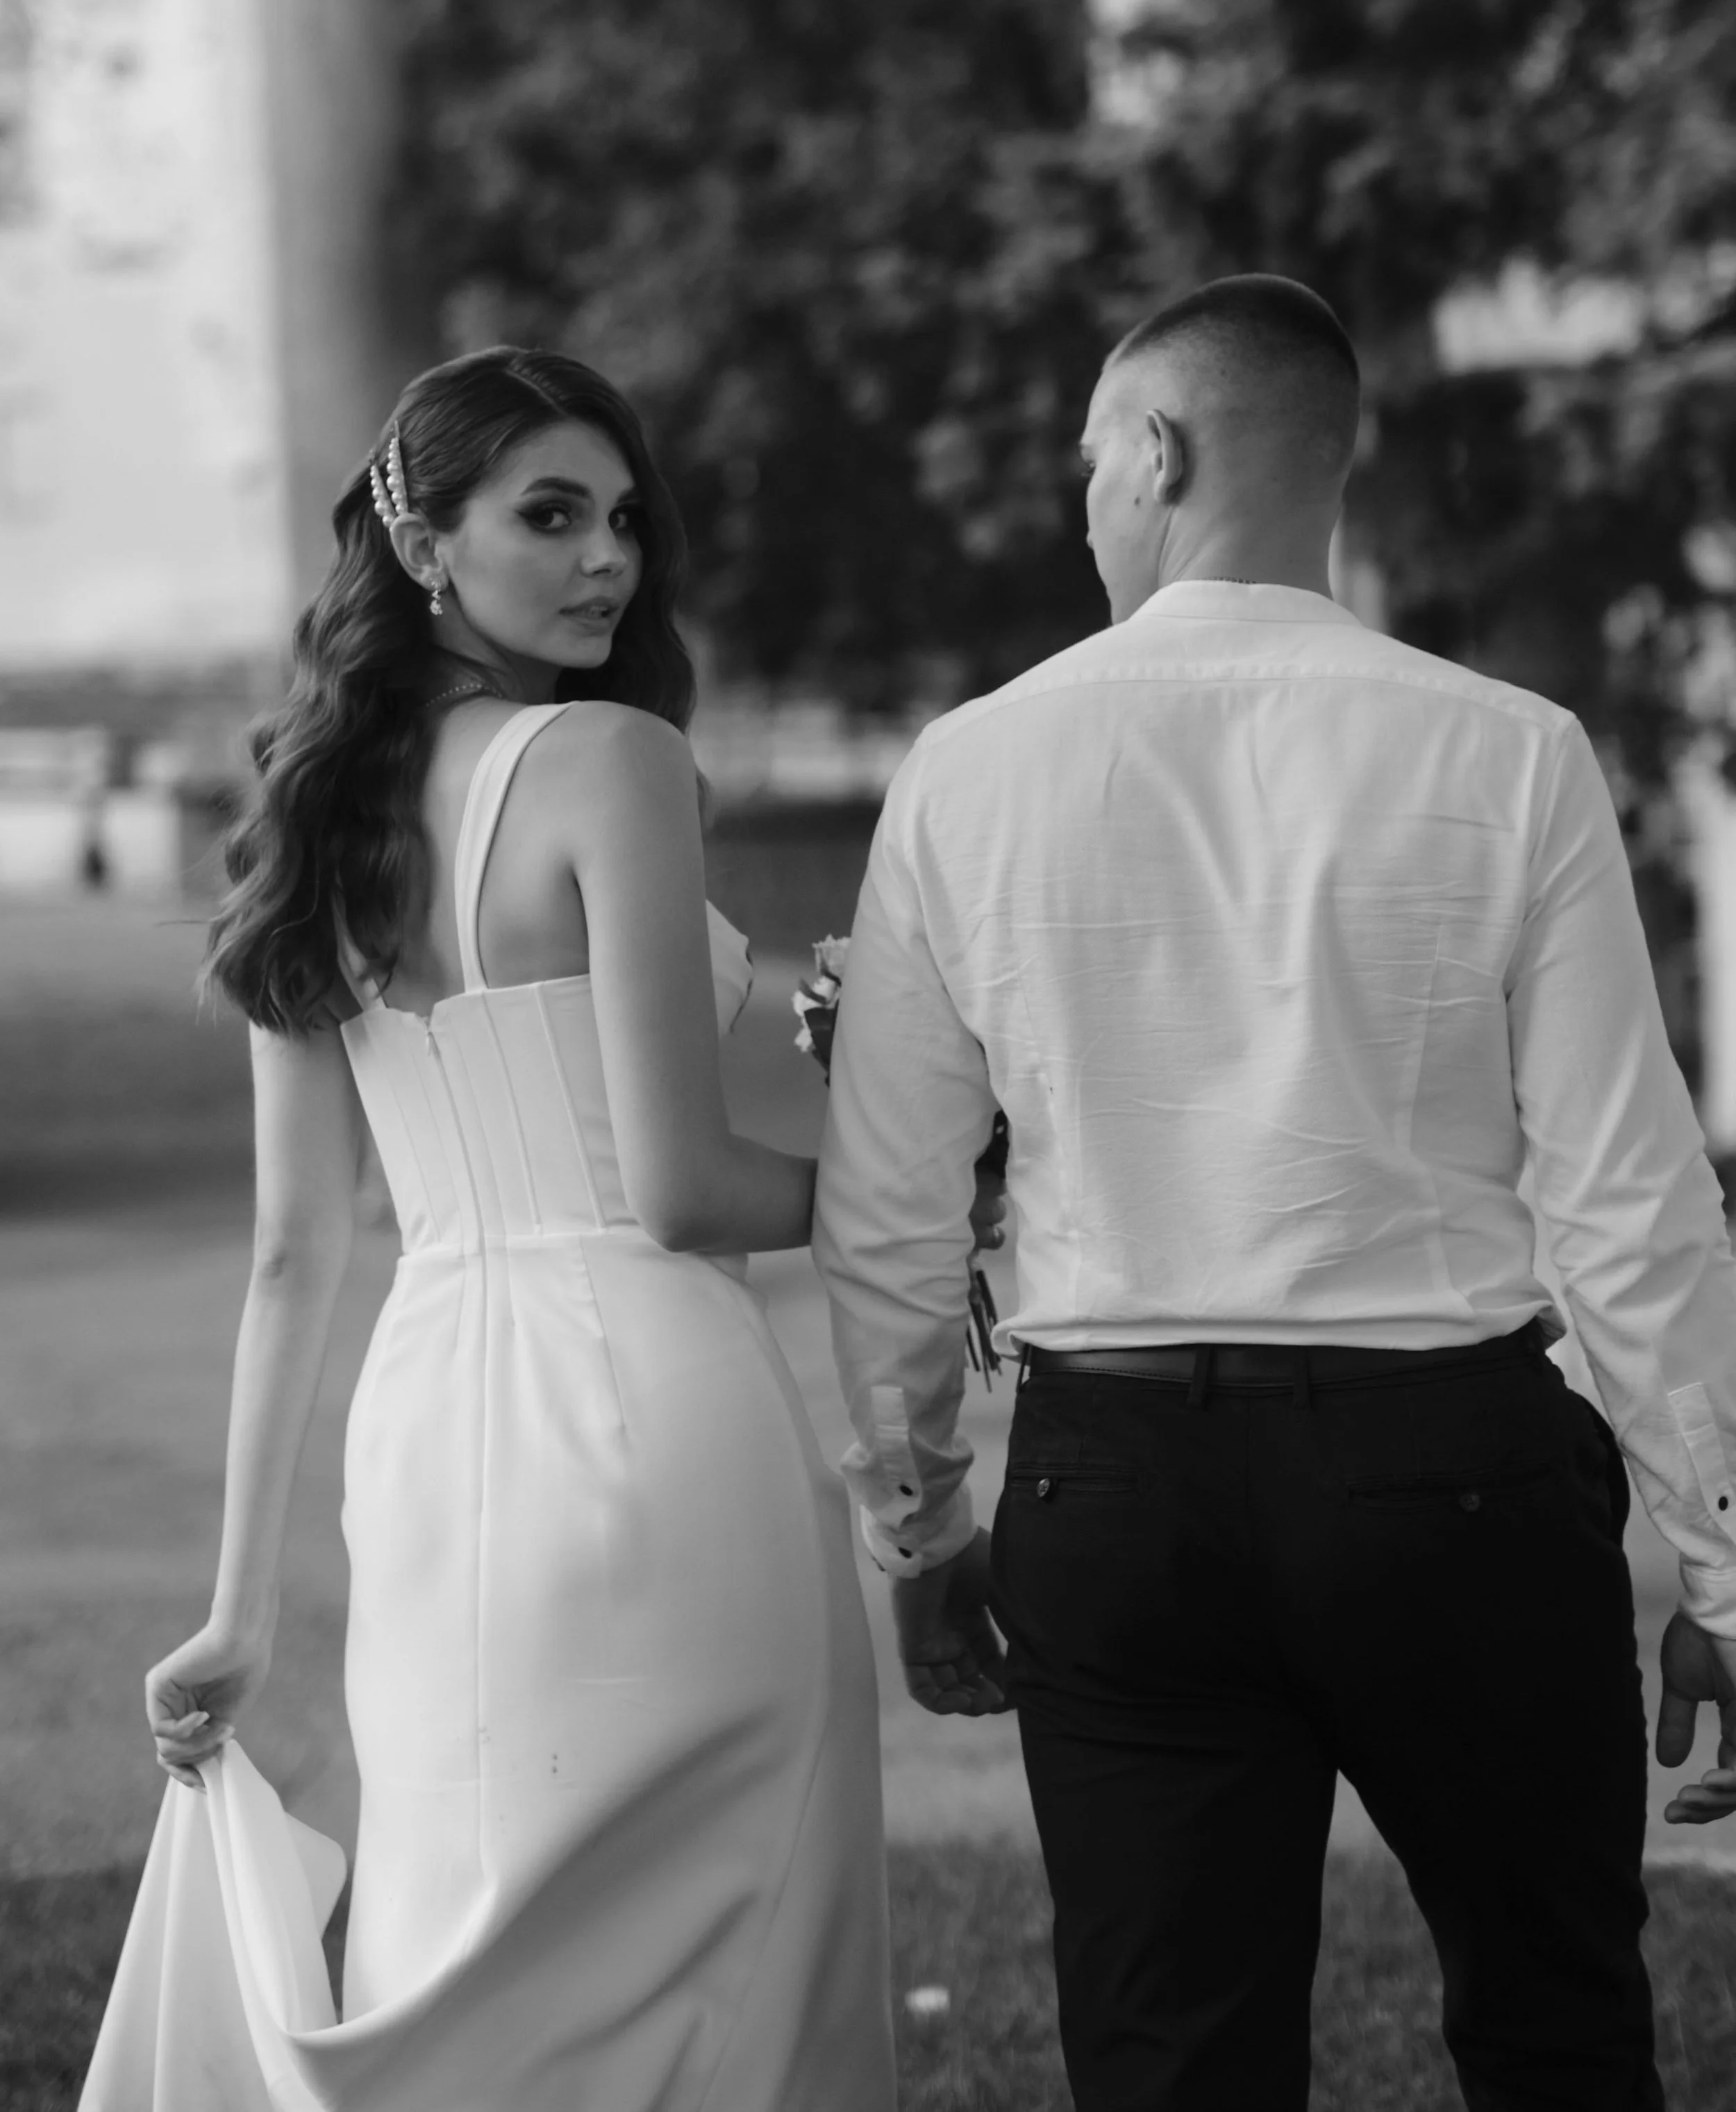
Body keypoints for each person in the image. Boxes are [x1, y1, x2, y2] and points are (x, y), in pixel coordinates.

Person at [813, 273, 1736, 2112]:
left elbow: (889, 1211)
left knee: (1169, 2062)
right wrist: (1720, 1556)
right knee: (1555, 2030)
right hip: (1454, 1480)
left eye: (1092, 465)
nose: (1086, 511)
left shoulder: (970, 765)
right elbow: (1626, 1195)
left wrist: (919, 1529)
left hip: (1116, 1485)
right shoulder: (1509, 749)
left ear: (1156, 451)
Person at [81, 348, 896, 2112]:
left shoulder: (308, 816)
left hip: (431, 1426)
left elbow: (295, 1254)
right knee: (732, 1928)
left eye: (624, 519)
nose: (606, 558)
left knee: (459, 1891)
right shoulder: (611, 760)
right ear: (424, 544)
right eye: (549, 514)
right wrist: (919, 1198)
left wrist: (238, 1616)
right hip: (650, 1405)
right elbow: (684, 1191)